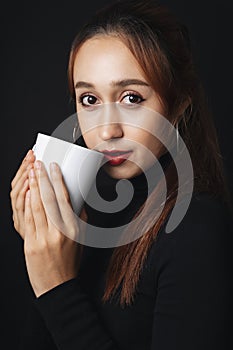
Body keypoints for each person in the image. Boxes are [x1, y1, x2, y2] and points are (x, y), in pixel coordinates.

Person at [10, 0, 233, 349]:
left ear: (178, 108)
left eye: (131, 98)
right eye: (89, 100)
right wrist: (39, 252)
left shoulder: (196, 231)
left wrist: (56, 287)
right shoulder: (85, 220)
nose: (107, 130)